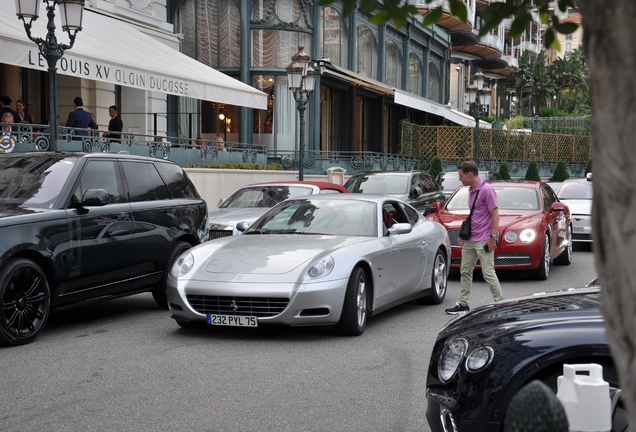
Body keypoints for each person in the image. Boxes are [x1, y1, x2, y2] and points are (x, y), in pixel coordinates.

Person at [445, 160, 503, 314]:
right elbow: (475, 215)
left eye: (461, 175)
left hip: (484, 239)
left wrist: (492, 237)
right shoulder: (471, 190)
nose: (460, 178)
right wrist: (464, 235)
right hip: (471, 239)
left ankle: (500, 305)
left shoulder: (487, 190)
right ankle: (463, 304)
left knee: (488, 273)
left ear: (470, 175)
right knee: (465, 271)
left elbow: (495, 215)